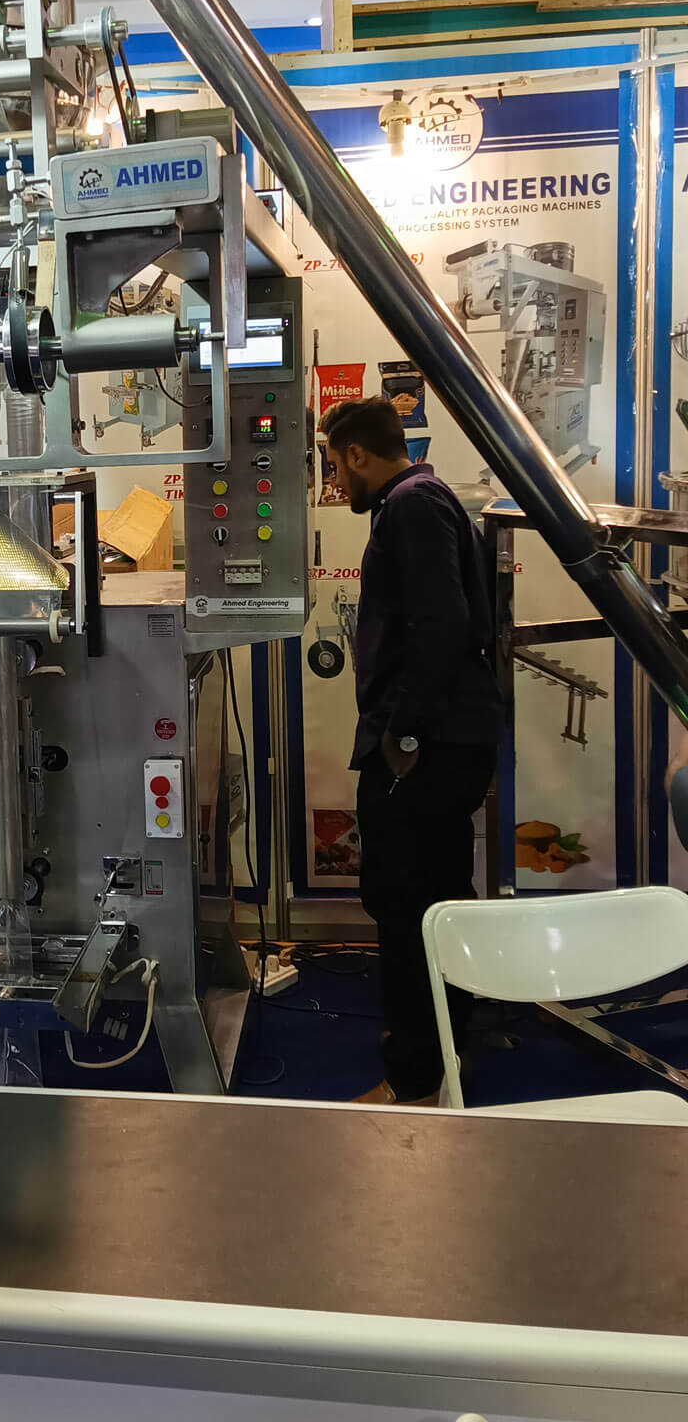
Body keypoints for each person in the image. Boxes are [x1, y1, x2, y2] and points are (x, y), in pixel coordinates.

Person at [320, 397, 501, 1105]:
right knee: (436, 898)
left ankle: (417, 1083)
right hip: (446, 740)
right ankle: (445, 1048)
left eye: (336, 466)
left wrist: (405, 734)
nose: (337, 482)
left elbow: (443, 622)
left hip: (429, 748)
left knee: (406, 905)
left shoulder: (411, 505)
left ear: (358, 454)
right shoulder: (422, 500)